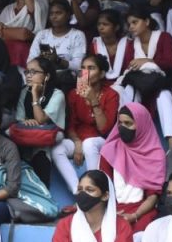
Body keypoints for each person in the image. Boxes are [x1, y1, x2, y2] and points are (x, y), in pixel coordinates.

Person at [49, 54, 119, 194]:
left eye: (91, 68)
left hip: (100, 141)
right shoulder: (74, 94)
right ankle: (78, 192)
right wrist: (77, 142)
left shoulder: (111, 94)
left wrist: (93, 100)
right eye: (82, 68)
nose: (85, 72)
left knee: (89, 144)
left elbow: (104, 129)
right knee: (57, 149)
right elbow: (71, 124)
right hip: (79, 138)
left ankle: (93, 189)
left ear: (102, 74)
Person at [98, 103, 166, 233]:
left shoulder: (155, 155)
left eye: (128, 124)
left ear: (141, 125)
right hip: (113, 208)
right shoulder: (110, 150)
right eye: (120, 123)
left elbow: (153, 196)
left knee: (139, 231)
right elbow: (103, 187)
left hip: (142, 210)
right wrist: (111, 212)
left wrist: (135, 216)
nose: (122, 127)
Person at [121, 6, 172, 146]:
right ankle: (127, 139)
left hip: (160, 83)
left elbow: (171, 63)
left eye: (135, 22)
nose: (131, 27)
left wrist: (148, 61)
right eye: (129, 24)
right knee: (128, 91)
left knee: (164, 95)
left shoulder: (164, 37)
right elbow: (128, 68)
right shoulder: (131, 44)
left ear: (146, 21)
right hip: (140, 86)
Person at [15, 56, 66, 187]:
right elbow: (19, 118)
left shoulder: (57, 94)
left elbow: (41, 119)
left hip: (47, 140)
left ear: (47, 76)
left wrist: (34, 95)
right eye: (27, 72)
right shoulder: (23, 92)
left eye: (34, 72)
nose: (28, 75)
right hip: (28, 137)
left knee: (41, 158)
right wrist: (26, 121)